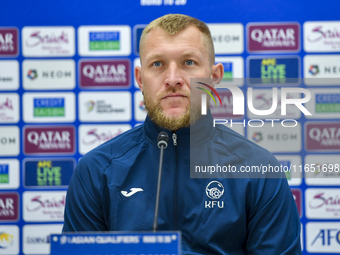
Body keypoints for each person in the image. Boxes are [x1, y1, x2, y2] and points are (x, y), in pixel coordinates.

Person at [63, 14, 301, 254]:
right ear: (139, 79)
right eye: (158, 64)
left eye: (189, 62)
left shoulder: (259, 169)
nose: (173, 79)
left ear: (214, 76)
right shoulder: (96, 170)